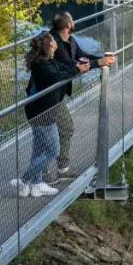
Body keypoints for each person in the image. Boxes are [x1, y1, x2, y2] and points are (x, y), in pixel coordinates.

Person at [13, 33, 84, 198]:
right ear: (50, 46)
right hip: (42, 114)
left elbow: (62, 69)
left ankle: (36, 185)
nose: (56, 41)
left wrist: (78, 69)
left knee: (38, 151)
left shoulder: (47, 62)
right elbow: (55, 76)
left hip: (40, 111)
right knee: (53, 150)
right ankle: (24, 180)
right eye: (53, 39)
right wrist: (76, 70)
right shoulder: (43, 66)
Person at [49, 13, 115, 177]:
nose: (73, 21)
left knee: (55, 131)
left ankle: (50, 170)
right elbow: (70, 64)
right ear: (69, 25)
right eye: (72, 19)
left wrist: (101, 60)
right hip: (48, 95)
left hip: (57, 94)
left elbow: (81, 55)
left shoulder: (69, 40)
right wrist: (98, 64)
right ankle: (51, 171)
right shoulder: (52, 43)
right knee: (62, 129)